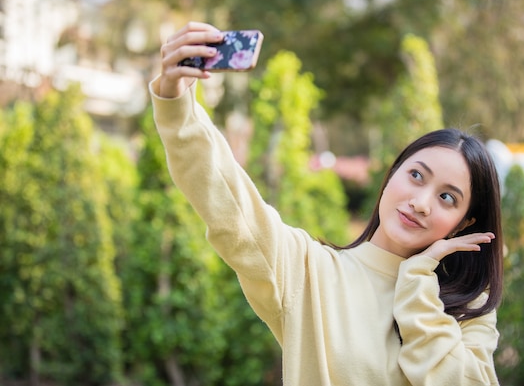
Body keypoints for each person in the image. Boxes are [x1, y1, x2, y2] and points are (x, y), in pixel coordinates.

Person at [151, 21, 504, 386]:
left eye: (448, 197)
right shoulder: (308, 271)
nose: (421, 202)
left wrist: (417, 281)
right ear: (392, 175)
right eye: (416, 175)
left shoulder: (471, 311)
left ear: (464, 222)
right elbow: (226, 197)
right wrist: (176, 101)